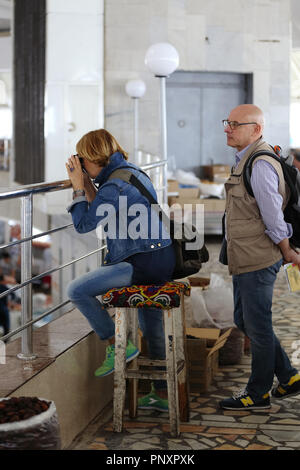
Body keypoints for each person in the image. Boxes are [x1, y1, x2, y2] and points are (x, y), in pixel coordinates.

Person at [66, 128, 176, 412]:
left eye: (82, 158)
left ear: (93, 156)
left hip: (140, 261)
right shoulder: (128, 172)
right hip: (160, 258)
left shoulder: (115, 186)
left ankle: (117, 344)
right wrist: (88, 182)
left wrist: (78, 187)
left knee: (76, 290)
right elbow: (102, 209)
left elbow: (84, 225)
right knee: (151, 326)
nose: (80, 164)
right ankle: (163, 395)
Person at [219, 104, 300, 410]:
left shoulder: (260, 164)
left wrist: (287, 251)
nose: (227, 128)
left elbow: (273, 216)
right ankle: (289, 376)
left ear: (256, 129)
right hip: (247, 256)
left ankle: (258, 393)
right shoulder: (245, 159)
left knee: (258, 325)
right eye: (227, 122)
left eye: (234, 124)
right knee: (245, 319)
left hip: (258, 258)